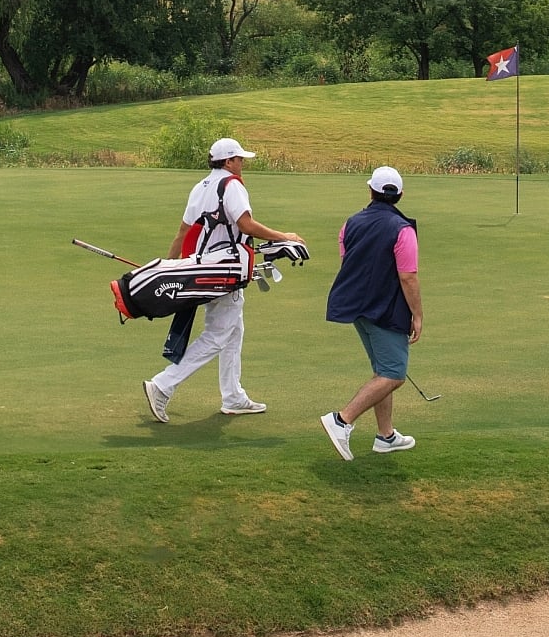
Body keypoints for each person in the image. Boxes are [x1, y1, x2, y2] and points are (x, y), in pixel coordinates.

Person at [142, 138, 304, 422]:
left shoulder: (201, 186)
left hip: (203, 268)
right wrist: (284, 236)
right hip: (225, 269)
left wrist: (169, 266)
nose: (242, 164)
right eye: (239, 159)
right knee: (217, 335)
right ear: (228, 162)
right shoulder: (232, 185)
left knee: (233, 331)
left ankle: (233, 397)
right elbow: (246, 225)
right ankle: (163, 386)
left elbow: (182, 232)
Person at [320, 166, 423, 459]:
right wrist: (417, 315)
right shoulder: (402, 229)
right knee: (394, 374)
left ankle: (386, 436)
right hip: (384, 310)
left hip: (357, 308)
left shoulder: (350, 223)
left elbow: (349, 262)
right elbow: (408, 277)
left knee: (382, 371)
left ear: (371, 191)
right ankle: (342, 420)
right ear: (400, 195)